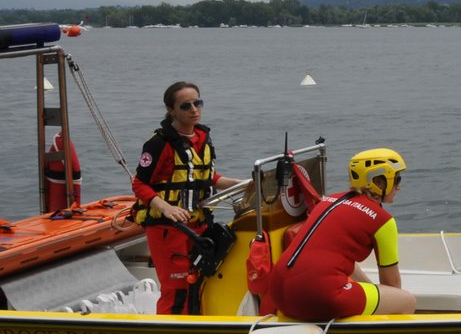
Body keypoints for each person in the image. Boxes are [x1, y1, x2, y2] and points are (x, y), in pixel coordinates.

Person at [131, 82, 247, 315]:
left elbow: (207, 177)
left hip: (199, 224)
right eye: (186, 105)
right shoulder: (159, 144)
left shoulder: (203, 138)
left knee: (202, 281)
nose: (194, 109)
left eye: (198, 103)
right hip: (168, 228)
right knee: (177, 288)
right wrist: (164, 207)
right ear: (171, 110)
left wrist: (244, 184)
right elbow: (139, 183)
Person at [266, 148, 418, 320]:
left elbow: (348, 263)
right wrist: (381, 297)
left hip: (278, 290)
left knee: (350, 271)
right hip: (319, 295)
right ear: (379, 181)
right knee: (407, 301)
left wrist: (373, 291)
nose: (399, 186)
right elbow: (392, 286)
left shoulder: (328, 200)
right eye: (397, 179)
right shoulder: (383, 220)